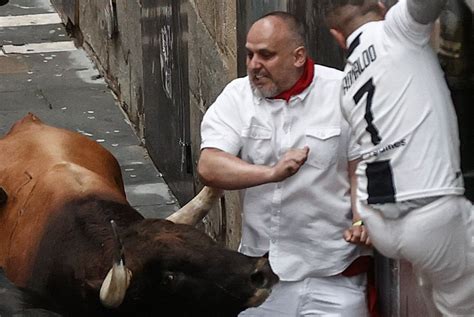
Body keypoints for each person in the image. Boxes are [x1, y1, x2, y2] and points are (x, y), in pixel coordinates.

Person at [198, 11, 374, 316]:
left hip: (334, 273)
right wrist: (270, 173)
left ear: (298, 56)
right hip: (263, 275)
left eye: (266, 55)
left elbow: (359, 164)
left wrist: (361, 219)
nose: (254, 65)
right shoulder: (238, 96)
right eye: (250, 54)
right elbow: (209, 165)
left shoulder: (343, 90)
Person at [324, 0, 474, 315]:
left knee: (443, 299)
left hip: (381, 222)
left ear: (338, 37)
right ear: (381, 6)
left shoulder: (346, 87)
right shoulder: (397, 29)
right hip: (428, 206)